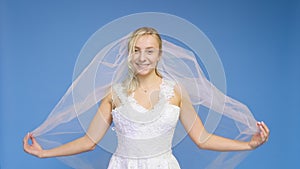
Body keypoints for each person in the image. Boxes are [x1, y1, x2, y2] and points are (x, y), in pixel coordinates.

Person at [23, 27, 269, 168]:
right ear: (129, 55)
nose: (142, 58)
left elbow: (202, 138)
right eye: (136, 51)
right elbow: (89, 141)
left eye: (149, 51)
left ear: (160, 54)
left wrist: (248, 144)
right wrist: (44, 153)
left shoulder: (176, 92)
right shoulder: (114, 95)